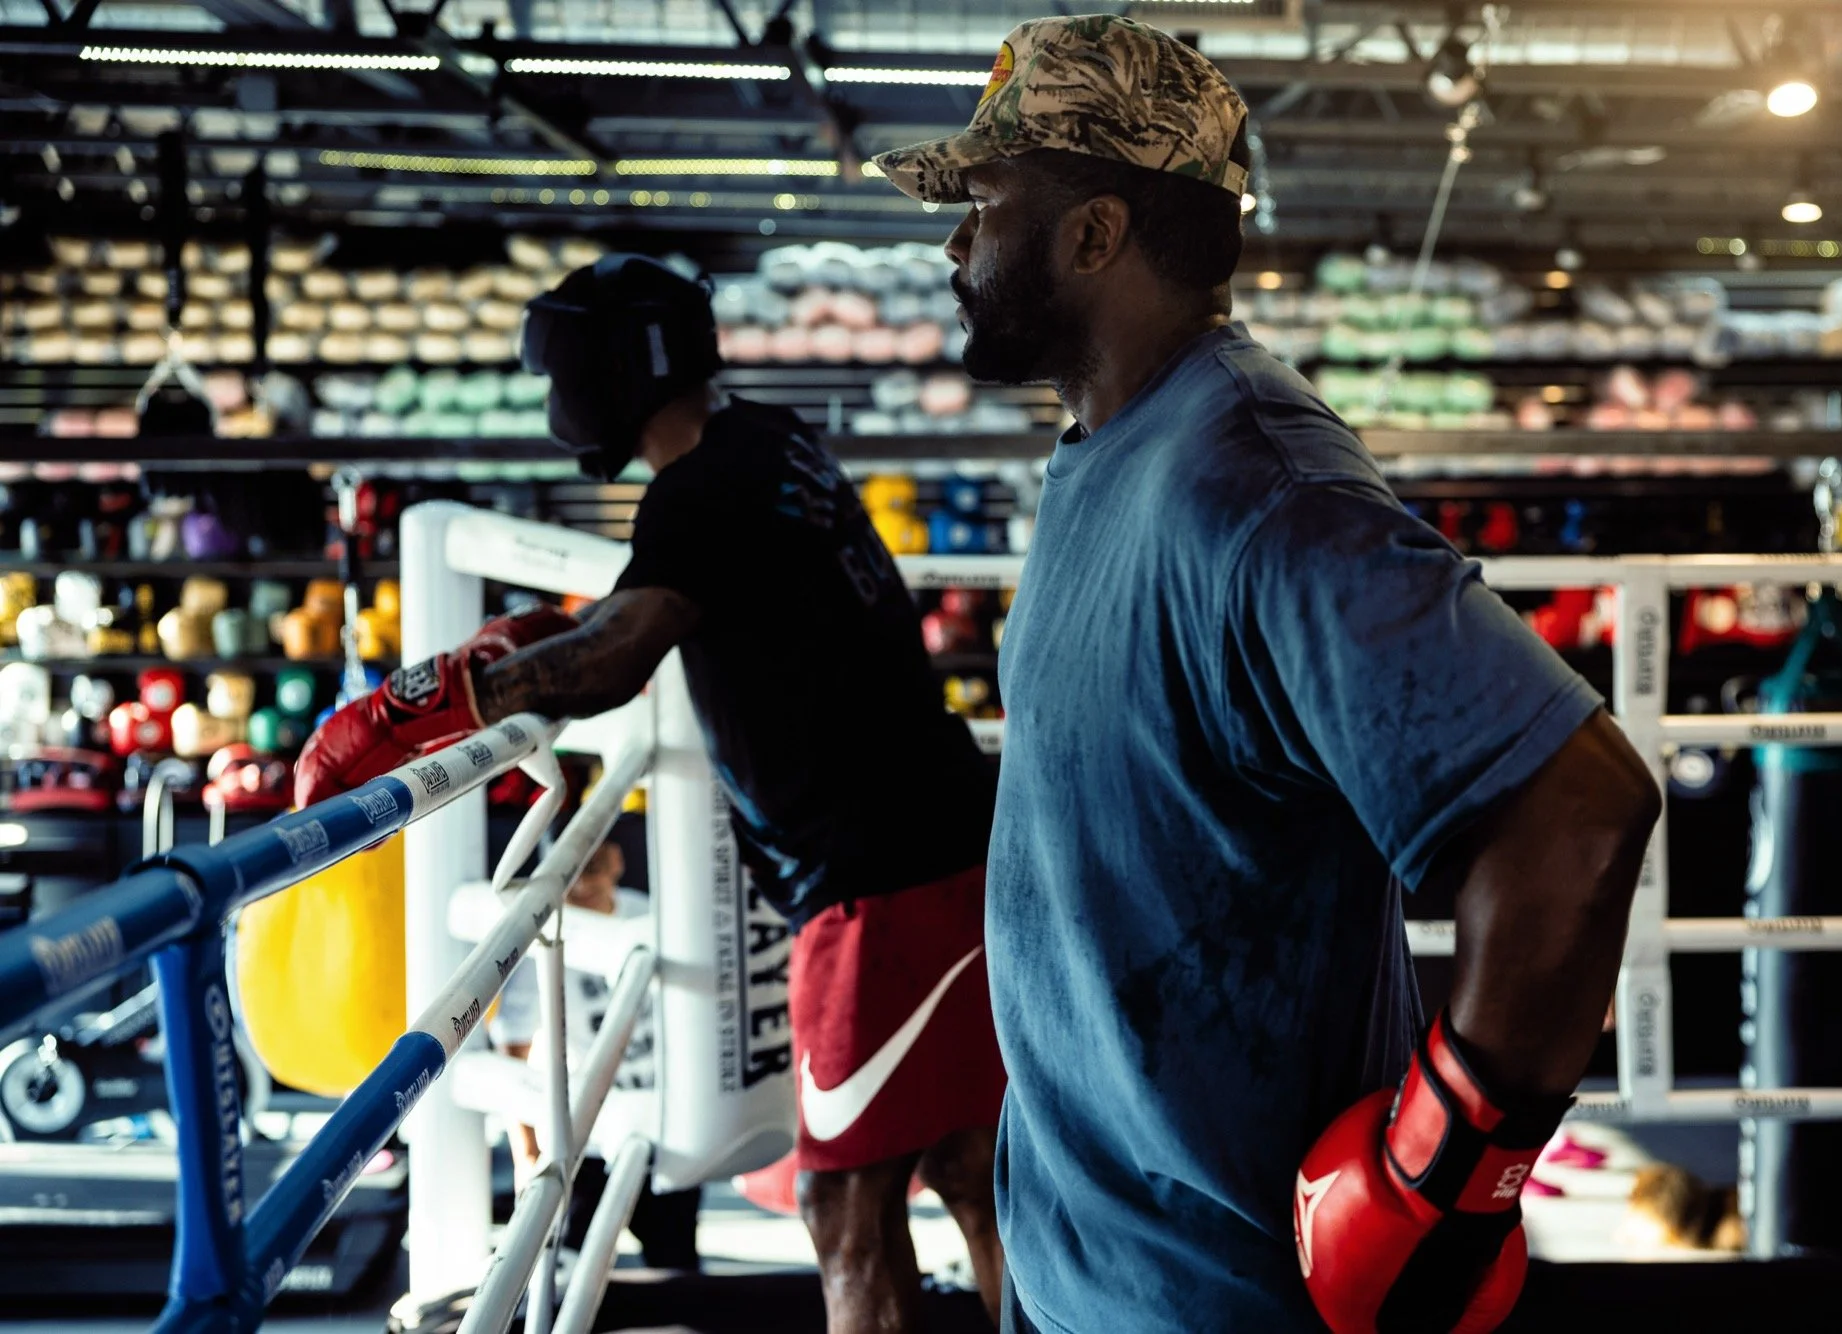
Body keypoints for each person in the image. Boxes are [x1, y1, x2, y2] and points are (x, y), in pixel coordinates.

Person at [873, 15, 1660, 1334]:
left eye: (984, 204)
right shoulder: (1105, 451)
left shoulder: (1257, 479)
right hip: (1089, 1268)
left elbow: (1577, 813)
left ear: (1095, 233)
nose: (957, 245)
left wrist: (1434, 1186)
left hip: (1219, 1292)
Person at [293, 255, 1009, 1331]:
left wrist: (426, 701)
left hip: (879, 885)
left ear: (619, 368)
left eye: (566, 370)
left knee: (844, 1208)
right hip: (941, 833)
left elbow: (615, 656)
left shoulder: (698, 490)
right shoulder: (763, 438)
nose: (556, 399)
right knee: (963, 1160)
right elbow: (670, 600)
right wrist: (536, 641)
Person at [489, 839, 701, 1270]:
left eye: (595, 868)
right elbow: (514, 1047)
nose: (582, 884)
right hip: (586, 1134)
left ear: (618, 862)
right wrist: (526, 1153)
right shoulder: (543, 938)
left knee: (676, 1266)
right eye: (571, 873)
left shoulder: (649, 917)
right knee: (562, 1272)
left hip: (662, 1127)